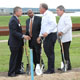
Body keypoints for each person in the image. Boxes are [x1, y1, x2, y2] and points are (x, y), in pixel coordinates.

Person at [8, 6, 31, 77]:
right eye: (20, 11)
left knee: (19, 57)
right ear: (16, 12)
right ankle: (11, 72)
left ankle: (17, 70)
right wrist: (23, 36)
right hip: (14, 43)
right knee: (14, 58)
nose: (22, 13)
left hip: (19, 43)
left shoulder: (17, 19)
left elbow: (18, 31)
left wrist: (23, 36)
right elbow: (14, 32)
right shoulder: (13, 20)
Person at [37, 3, 57, 74]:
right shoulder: (44, 16)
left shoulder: (49, 14)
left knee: (49, 52)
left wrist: (47, 32)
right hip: (47, 35)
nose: (39, 9)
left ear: (43, 8)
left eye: (39, 8)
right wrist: (40, 36)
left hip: (51, 35)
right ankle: (50, 68)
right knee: (47, 51)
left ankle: (51, 69)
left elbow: (54, 24)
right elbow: (43, 27)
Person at [56, 5, 72, 71]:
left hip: (66, 38)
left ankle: (67, 66)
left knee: (65, 52)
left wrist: (62, 32)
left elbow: (69, 25)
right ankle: (65, 66)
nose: (56, 12)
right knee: (62, 51)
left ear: (62, 10)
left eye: (57, 10)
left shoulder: (66, 16)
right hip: (61, 38)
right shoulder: (61, 17)